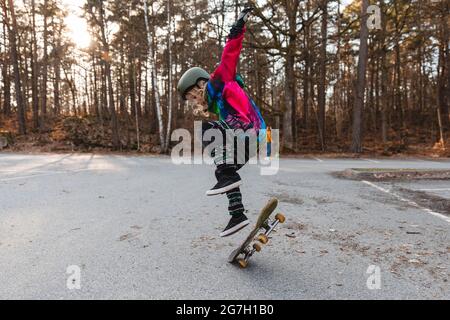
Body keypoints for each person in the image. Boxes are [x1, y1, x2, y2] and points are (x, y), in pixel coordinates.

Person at [177, 7, 266, 237]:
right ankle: (237, 214)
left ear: (200, 83)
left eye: (193, 95)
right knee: (225, 172)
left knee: (208, 131)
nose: (194, 101)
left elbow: (229, 56)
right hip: (253, 140)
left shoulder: (219, 81)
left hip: (248, 132)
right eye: (190, 100)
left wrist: (237, 29)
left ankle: (228, 178)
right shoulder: (217, 104)